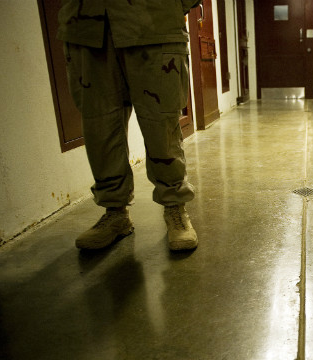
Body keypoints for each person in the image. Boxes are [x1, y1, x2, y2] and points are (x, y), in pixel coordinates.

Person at [57, 0, 203, 250]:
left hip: (153, 21)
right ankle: (115, 213)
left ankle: (175, 209)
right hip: (87, 26)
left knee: (161, 124)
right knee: (99, 127)